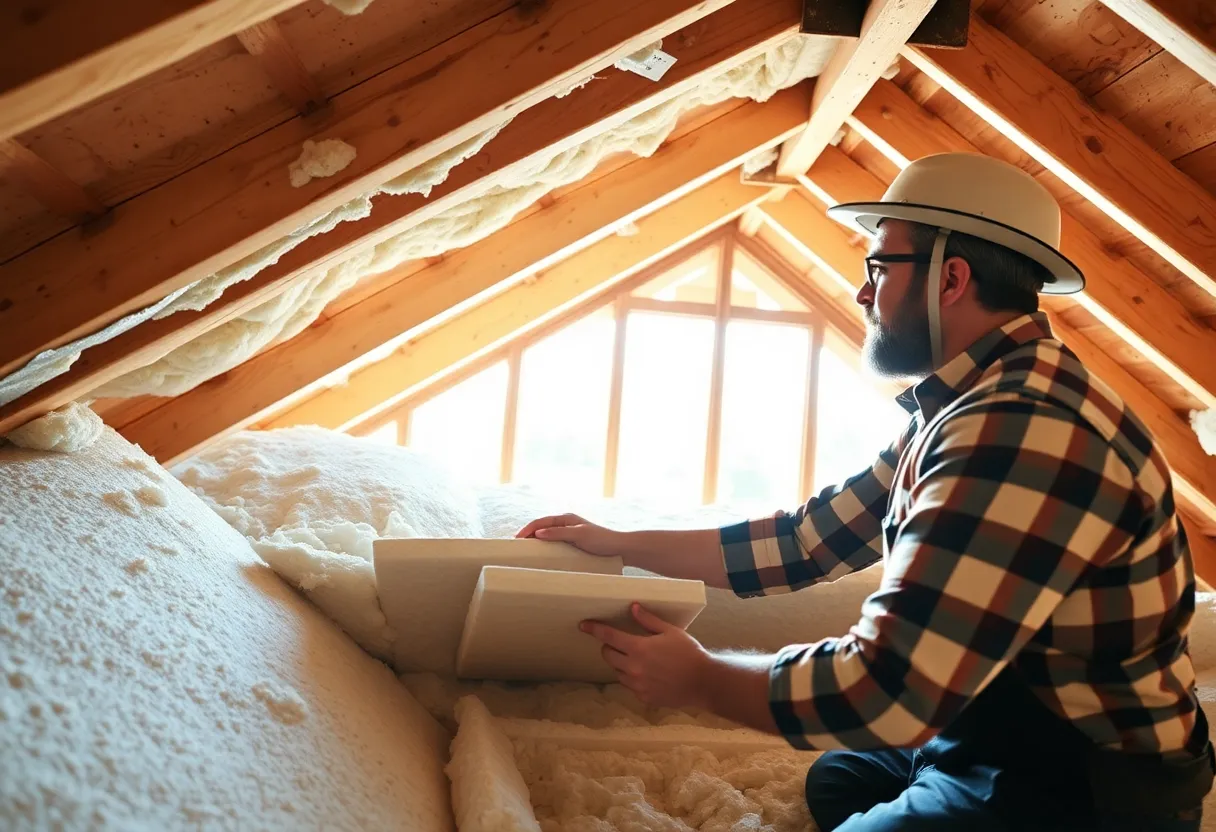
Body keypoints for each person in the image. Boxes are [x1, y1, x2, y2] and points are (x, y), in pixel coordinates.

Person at [516, 153, 1215, 830]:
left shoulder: (1021, 428)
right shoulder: (971, 398)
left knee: (858, 775)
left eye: (877, 266)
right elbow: (804, 542)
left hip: (1081, 782)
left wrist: (702, 680)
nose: (861, 290)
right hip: (981, 724)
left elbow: (887, 691)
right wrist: (617, 542)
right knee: (837, 782)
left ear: (951, 279)